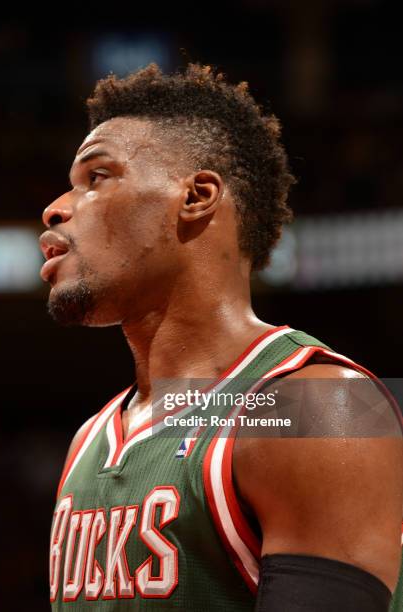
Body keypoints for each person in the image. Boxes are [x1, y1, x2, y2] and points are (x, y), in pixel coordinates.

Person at [39, 62, 403, 610]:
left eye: (97, 178)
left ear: (197, 196)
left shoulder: (325, 406)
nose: (56, 208)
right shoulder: (88, 439)